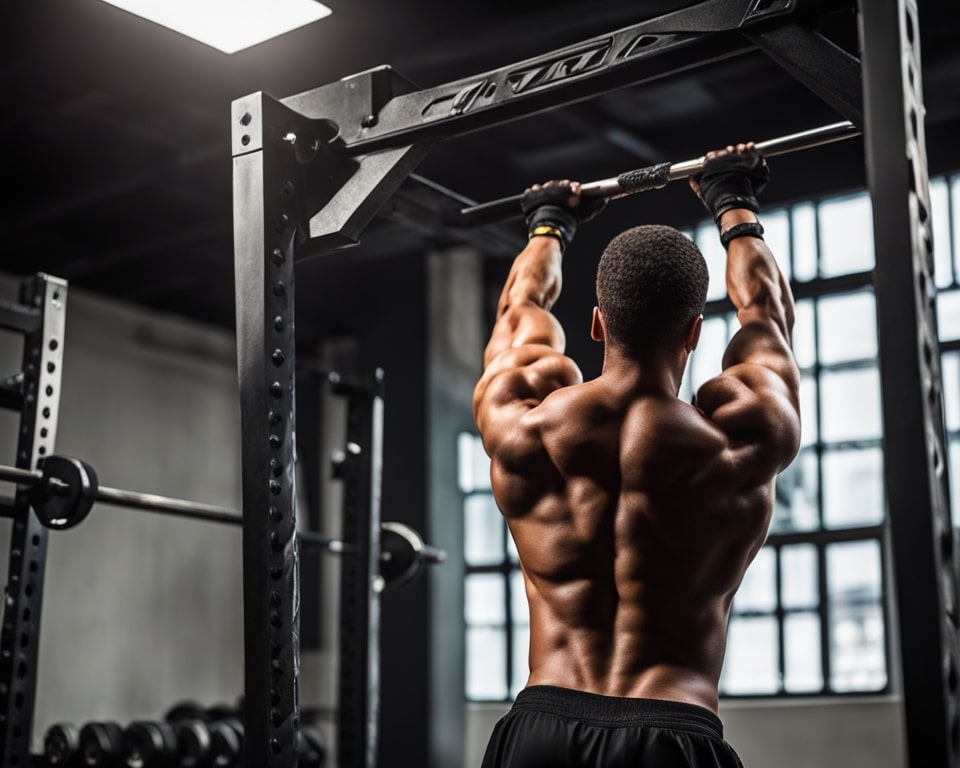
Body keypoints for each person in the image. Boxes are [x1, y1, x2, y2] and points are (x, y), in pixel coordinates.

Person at [473, 144, 801, 767]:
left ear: (596, 323)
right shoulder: (742, 437)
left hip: (540, 729)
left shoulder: (524, 423)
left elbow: (523, 310)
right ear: (695, 332)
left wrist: (550, 224)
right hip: (670, 732)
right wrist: (734, 204)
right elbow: (767, 315)